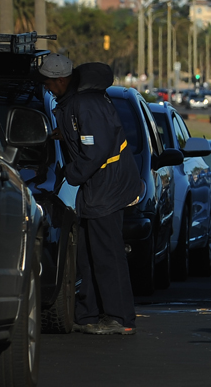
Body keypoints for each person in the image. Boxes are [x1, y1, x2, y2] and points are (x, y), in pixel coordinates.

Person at [40, 54, 143, 335]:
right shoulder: (77, 102)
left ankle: (120, 318)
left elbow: (96, 150)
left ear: (61, 80)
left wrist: (69, 177)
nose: (48, 88)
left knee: (107, 254)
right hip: (98, 188)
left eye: (49, 83)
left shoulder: (85, 104)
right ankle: (88, 315)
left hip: (107, 188)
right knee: (88, 253)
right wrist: (61, 135)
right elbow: (87, 136)